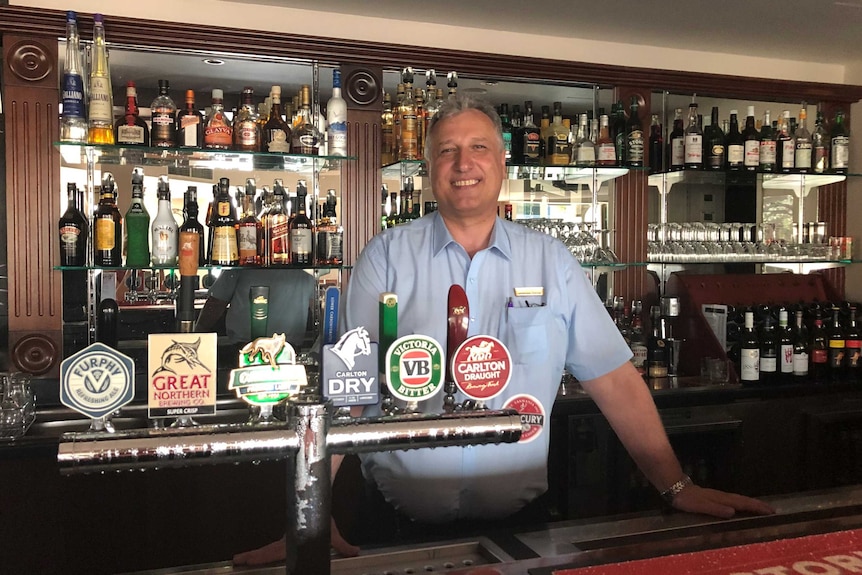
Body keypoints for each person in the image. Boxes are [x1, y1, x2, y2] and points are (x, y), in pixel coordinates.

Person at [233, 94, 774, 566]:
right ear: (427, 169)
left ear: (503, 164)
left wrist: (675, 487)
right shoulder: (385, 260)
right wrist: (309, 518)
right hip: (395, 527)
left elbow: (614, 379)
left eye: (479, 148)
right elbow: (350, 393)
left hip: (522, 528)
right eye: (446, 150)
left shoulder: (552, 262)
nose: (463, 163)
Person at [195, 267, 318, 352]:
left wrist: (197, 334)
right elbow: (317, 307)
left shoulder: (242, 266)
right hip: (288, 348)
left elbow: (216, 303)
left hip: (247, 347)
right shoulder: (305, 270)